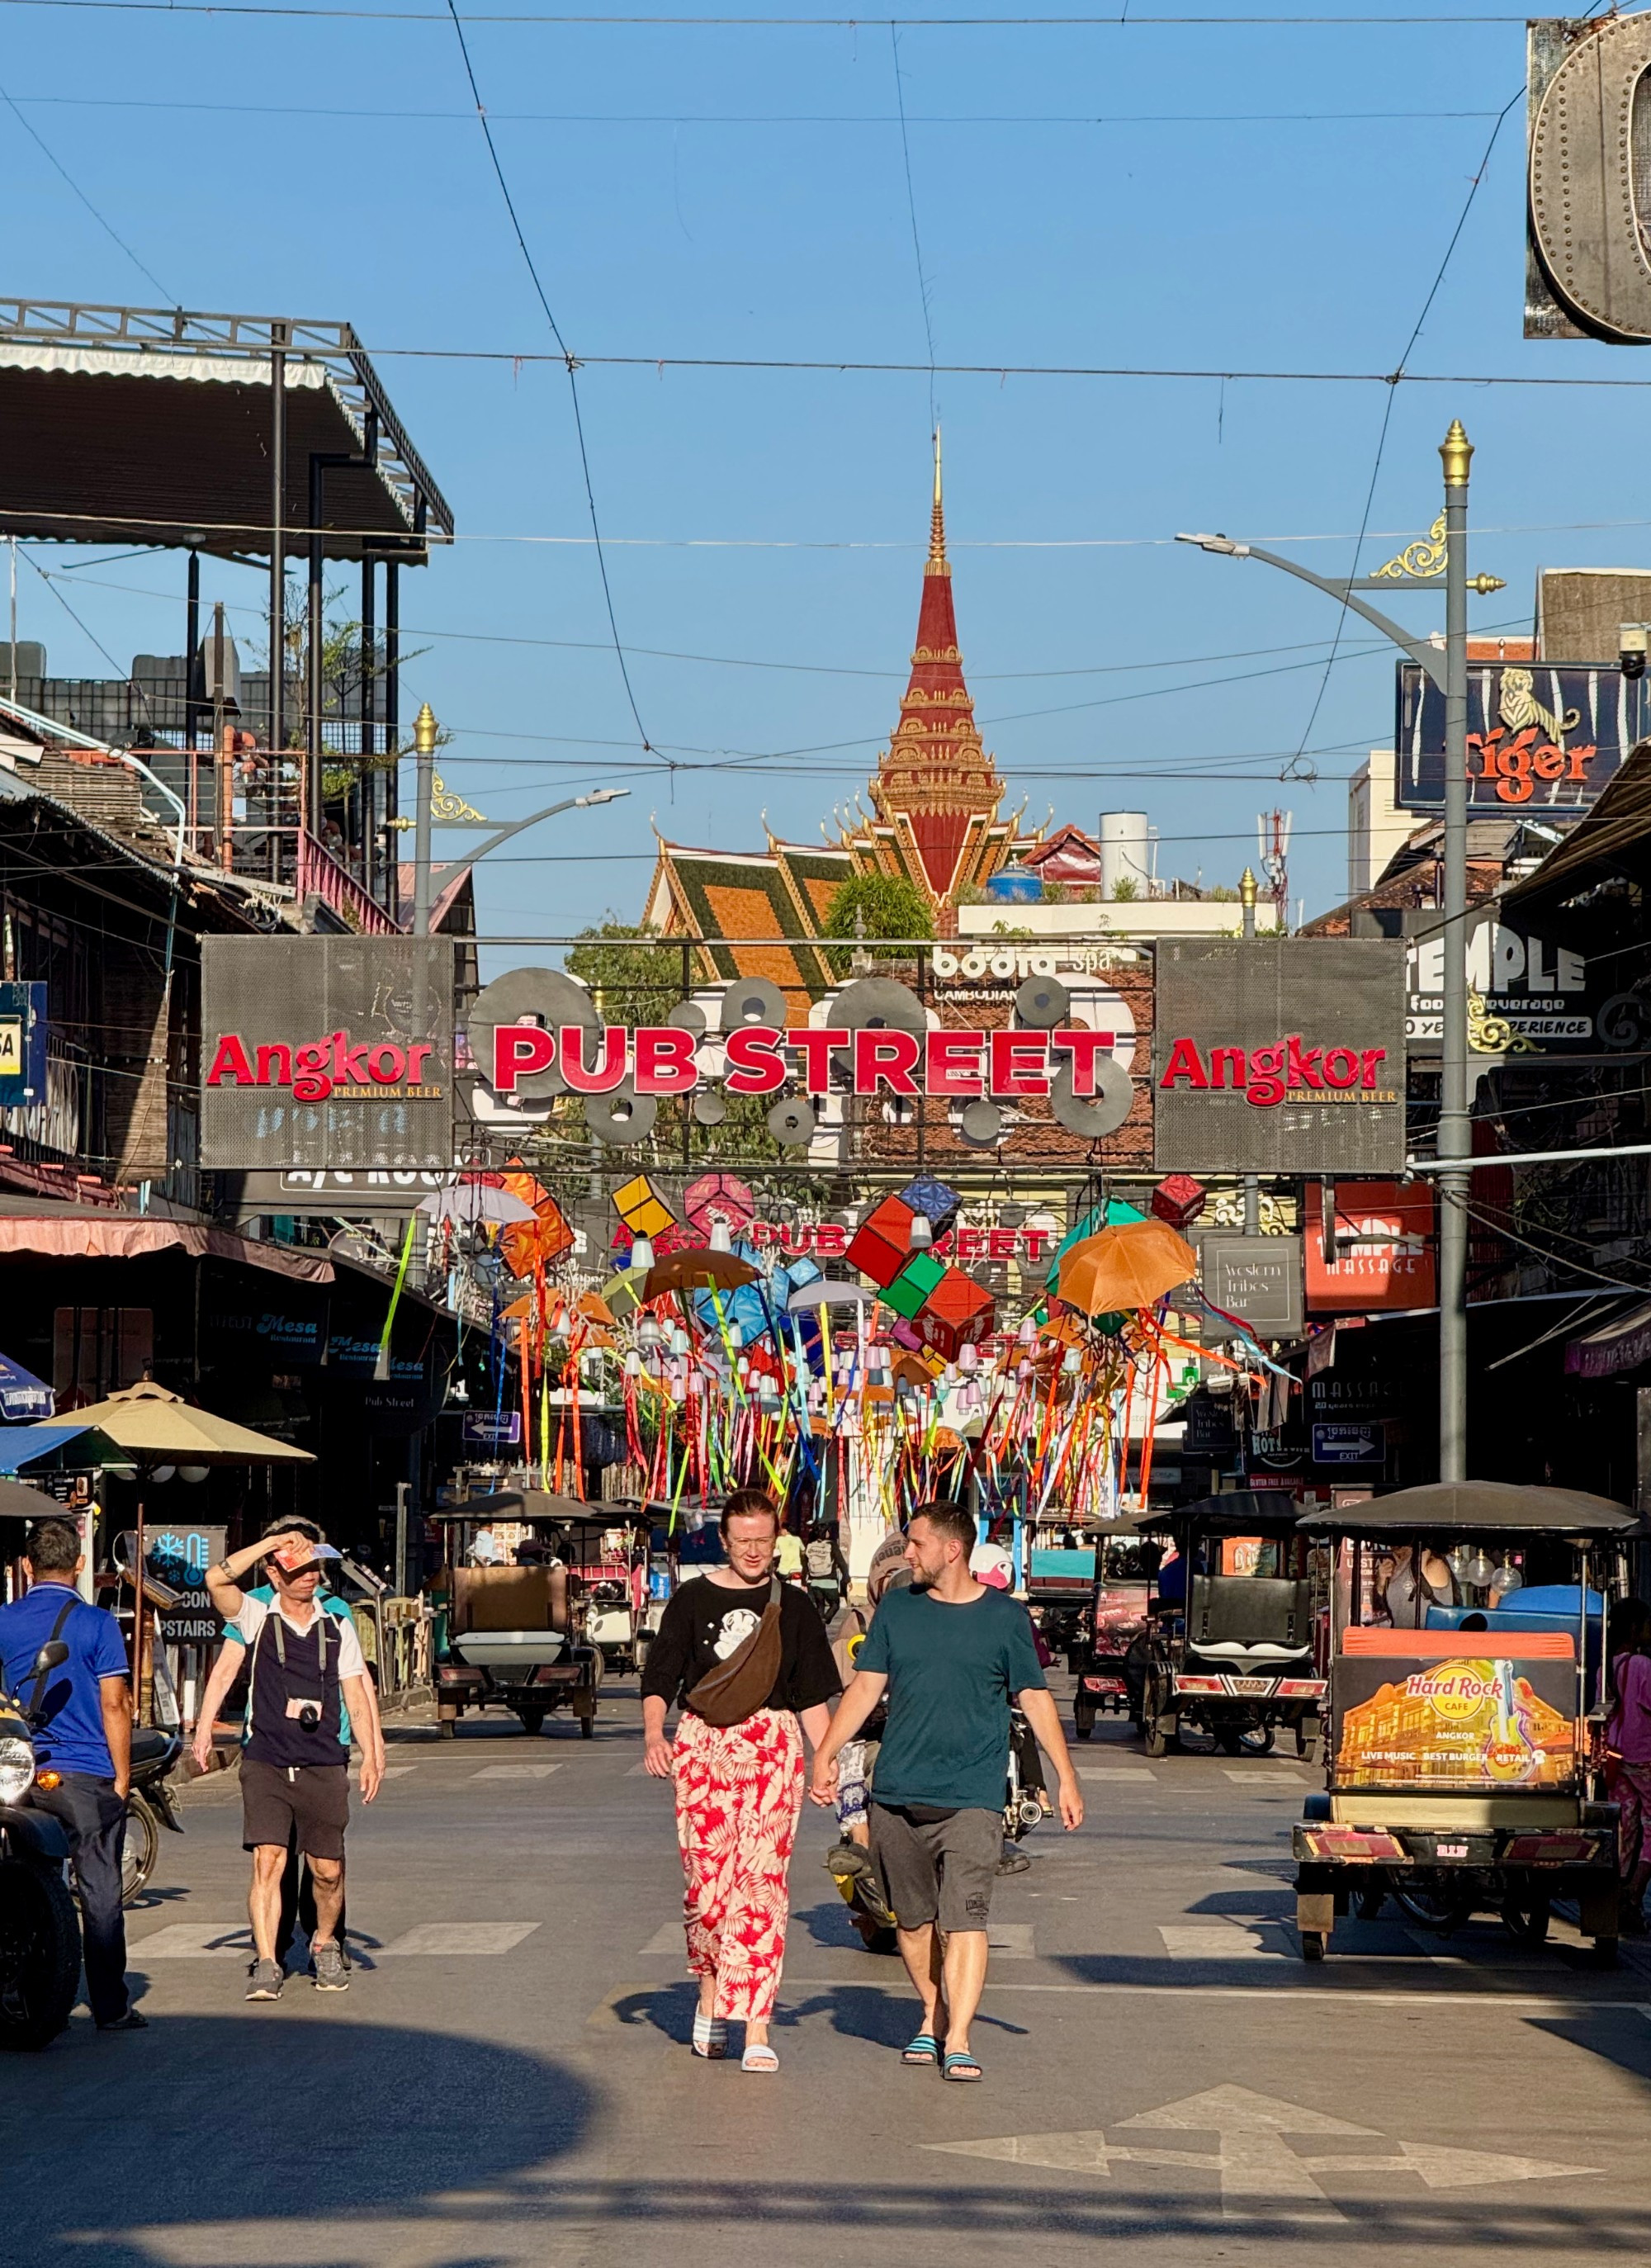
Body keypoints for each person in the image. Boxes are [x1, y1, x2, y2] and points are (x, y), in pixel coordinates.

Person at [811, 1499, 1084, 2083]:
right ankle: (931, 2010)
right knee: (912, 1922)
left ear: (951, 1549)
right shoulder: (897, 1614)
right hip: (898, 1793)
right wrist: (826, 1753)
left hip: (972, 1795)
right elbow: (865, 1688)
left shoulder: (1005, 1619)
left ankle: (957, 2035)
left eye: (916, 1543)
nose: (907, 1553)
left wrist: (1065, 1776)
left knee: (965, 1920)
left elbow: (1034, 1698)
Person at [641, 1486, 840, 2072]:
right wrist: (656, 1734)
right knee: (708, 1890)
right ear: (723, 1540)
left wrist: (825, 1760)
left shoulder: (795, 1606)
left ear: (777, 1540)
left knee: (761, 1887)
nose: (754, 1551)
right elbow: (661, 1676)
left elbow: (810, 1696)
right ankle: (710, 1991)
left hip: (772, 1748)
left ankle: (756, 2023)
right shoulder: (691, 1599)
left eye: (764, 1540)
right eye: (743, 1540)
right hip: (703, 1746)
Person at [192, 1516, 383, 1972]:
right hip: (271, 1753)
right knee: (272, 1857)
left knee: (325, 1865)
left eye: (314, 1561)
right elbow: (226, 1664)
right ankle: (270, 1956)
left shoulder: (336, 1614)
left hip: (324, 1753)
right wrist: (204, 1723)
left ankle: (326, 1944)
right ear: (276, 1568)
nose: (311, 1574)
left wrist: (373, 1749)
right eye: (298, 1563)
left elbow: (359, 1689)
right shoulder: (257, 1609)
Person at [0, 1517, 145, 2032]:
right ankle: (111, 2006)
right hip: (84, 1773)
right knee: (101, 1889)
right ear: (80, 1564)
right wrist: (122, 1776)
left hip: (14, 1773)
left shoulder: (3, 1620)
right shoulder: (99, 1625)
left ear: (25, 1566)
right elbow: (115, 1704)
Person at [1606, 1597, 1651, 1935]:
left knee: (1627, 1823)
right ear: (1635, 1629)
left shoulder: (1605, 1667)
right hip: (1644, 1756)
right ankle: (1634, 1895)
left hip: (1616, 1756)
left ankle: (1619, 1889)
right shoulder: (1642, 1666)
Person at [804, 1520, 849, 1624]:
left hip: (814, 1582)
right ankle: (825, 1619)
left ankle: (820, 1627)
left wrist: (804, 1581)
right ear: (827, 1533)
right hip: (829, 1582)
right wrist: (846, 1577)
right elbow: (841, 1562)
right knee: (835, 1604)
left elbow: (805, 1565)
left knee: (820, 1606)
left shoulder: (810, 1546)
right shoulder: (832, 1545)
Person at [773, 1522, 805, 1586]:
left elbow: (776, 1553)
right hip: (797, 1569)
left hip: (783, 1570)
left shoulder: (779, 1539)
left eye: (781, 1529)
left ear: (786, 1530)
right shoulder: (798, 1539)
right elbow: (803, 1551)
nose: (780, 1531)